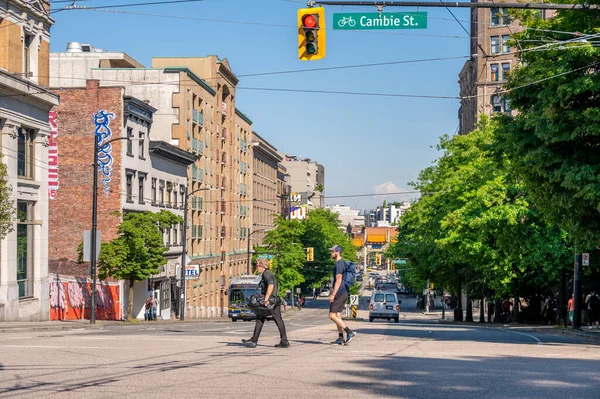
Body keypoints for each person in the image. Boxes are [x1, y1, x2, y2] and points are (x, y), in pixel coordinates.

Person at [242, 258, 289, 348]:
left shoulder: (267, 274)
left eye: (257, 266)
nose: (256, 267)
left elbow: (271, 285)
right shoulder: (267, 273)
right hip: (275, 300)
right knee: (270, 319)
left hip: (271, 300)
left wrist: (266, 299)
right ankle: (284, 341)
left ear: (262, 266)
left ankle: (254, 341)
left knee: (261, 318)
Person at [328, 245, 356, 346]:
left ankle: (349, 332)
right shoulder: (342, 264)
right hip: (344, 292)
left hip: (339, 292)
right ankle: (340, 338)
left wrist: (333, 294)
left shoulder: (339, 264)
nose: (331, 253)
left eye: (332, 252)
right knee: (338, 315)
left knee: (331, 315)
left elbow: (338, 280)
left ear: (337, 252)